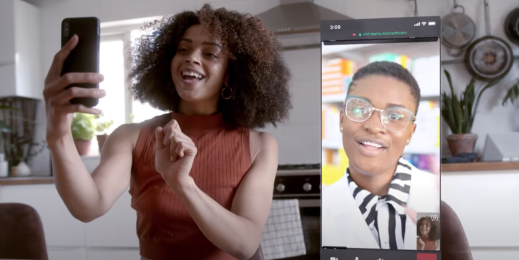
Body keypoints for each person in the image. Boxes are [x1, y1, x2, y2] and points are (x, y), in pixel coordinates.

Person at [43, 4, 291, 260]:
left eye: (210, 54)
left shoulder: (260, 145)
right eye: (183, 49)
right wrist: (58, 134)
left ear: (229, 75)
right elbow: (87, 207)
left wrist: (182, 183)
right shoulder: (132, 137)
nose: (191, 57)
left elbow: (245, 244)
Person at [322, 61, 440, 250]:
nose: (374, 127)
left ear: (411, 132)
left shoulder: (436, 198)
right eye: (360, 109)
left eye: (394, 116)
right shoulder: (324, 207)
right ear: (342, 119)